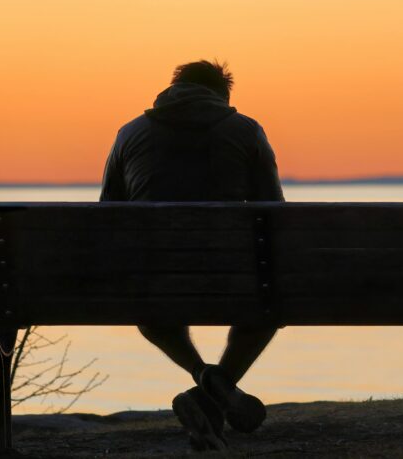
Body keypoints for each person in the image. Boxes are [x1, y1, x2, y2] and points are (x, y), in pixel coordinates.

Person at [100, 60, 284, 450]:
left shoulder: (129, 134)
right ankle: (213, 390)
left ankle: (204, 382)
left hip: (155, 283)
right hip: (233, 279)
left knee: (150, 313)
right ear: (222, 96)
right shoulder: (246, 131)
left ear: (172, 89)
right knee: (268, 307)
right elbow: (275, 212)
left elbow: (107, 215)